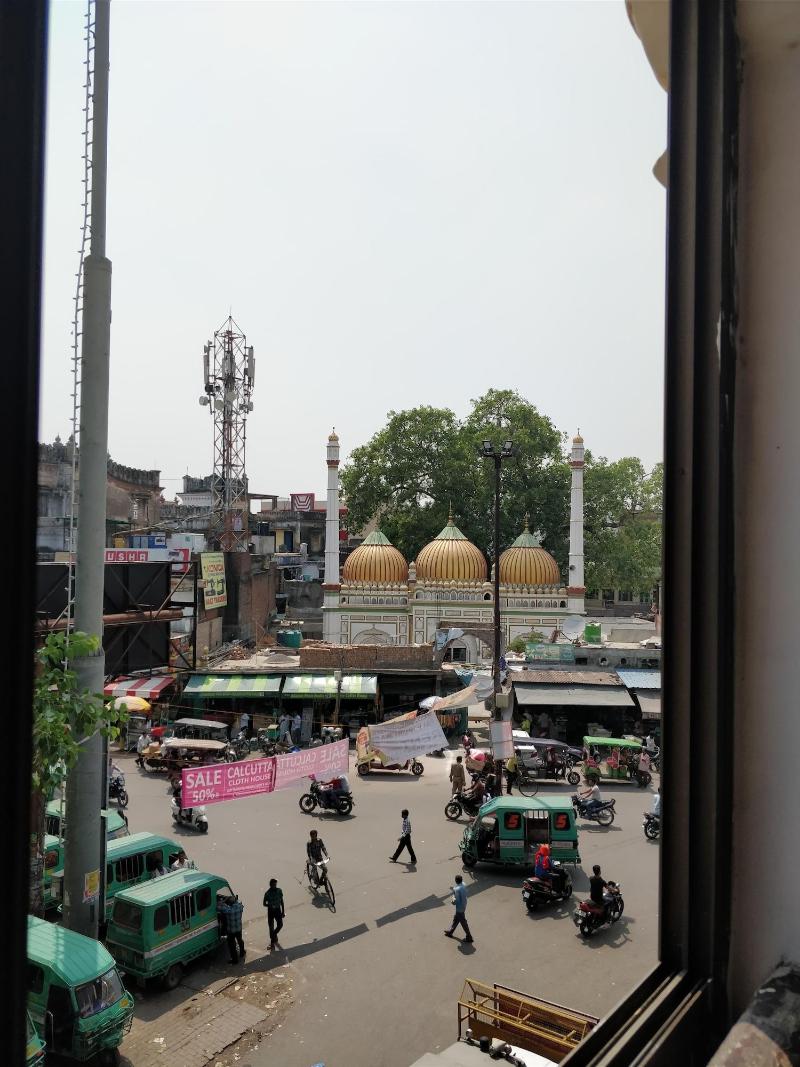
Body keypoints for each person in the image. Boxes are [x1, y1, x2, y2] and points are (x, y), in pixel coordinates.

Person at [444, 874, 474, 943]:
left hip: (460, 908)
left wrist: (452, 898)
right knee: (456, 919)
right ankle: (450, 931)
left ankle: (469, 937)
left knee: (463, 922)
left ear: (455, 881)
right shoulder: (463, 884)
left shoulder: (457, 889)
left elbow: (455, 901)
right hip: (464, 904)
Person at [218, 894, 245, 963]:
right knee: (240, 940)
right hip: (239, 928)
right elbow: (239, 903)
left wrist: (222, 901)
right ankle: (242, 952)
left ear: (229, 903)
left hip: (231, 930)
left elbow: (218, 907)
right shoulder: (240, 907)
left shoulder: (228, 910)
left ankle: (235, 960)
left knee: (232, 945)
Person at [263, 878, 285, 948]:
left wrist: (283, 911)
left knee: (280, 925)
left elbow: (281, 901)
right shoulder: (267, 893)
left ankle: (273, 936)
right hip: (271, 911)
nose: (275, 886)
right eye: (273, 885)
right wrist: (269, 905)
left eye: (275, 884)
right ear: (270, 885)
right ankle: (273, 942)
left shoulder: (279, 891)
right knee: (271, 927)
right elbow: (264, 903)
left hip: (278, 910)